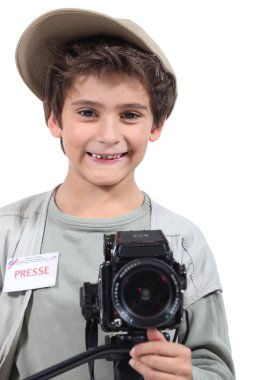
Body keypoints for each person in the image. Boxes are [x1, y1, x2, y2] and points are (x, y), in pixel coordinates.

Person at [0, 7, 235, 380]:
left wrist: (189, 375)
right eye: (88, 112)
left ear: (156, 124)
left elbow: (215, 367)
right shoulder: (8, 234)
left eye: (130, 115)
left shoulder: (184, 241)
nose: (109, 136)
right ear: (54, 119)